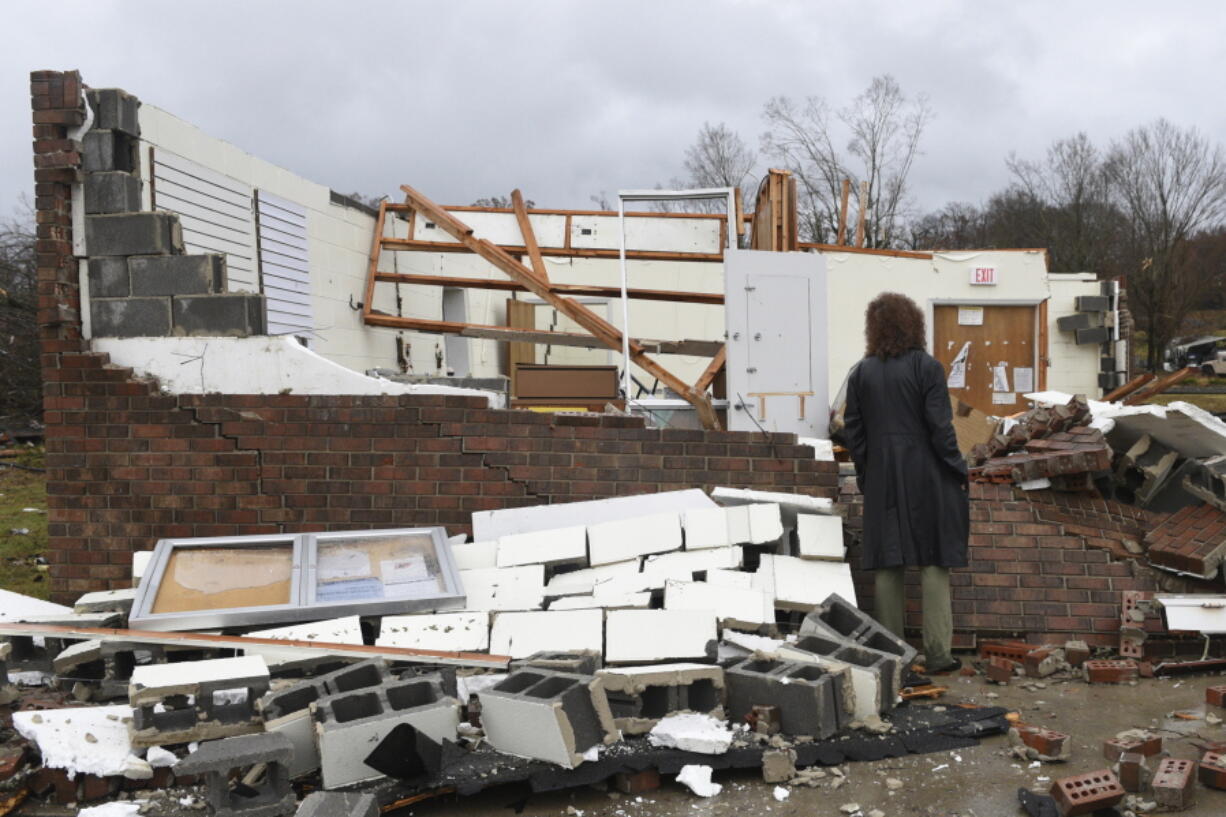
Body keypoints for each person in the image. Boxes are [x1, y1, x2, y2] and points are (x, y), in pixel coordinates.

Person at [841, 292, 969, 675]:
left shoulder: (861, 372)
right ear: (914, 324)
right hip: (927, 472)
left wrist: (866, 472)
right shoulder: (927, 367)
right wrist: (957, 467)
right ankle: (938, 655)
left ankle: (892, 657)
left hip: (881, 474)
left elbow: (854, 432)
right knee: (933, 560)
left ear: (874, 328)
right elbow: (939, 426)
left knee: (887, 563)